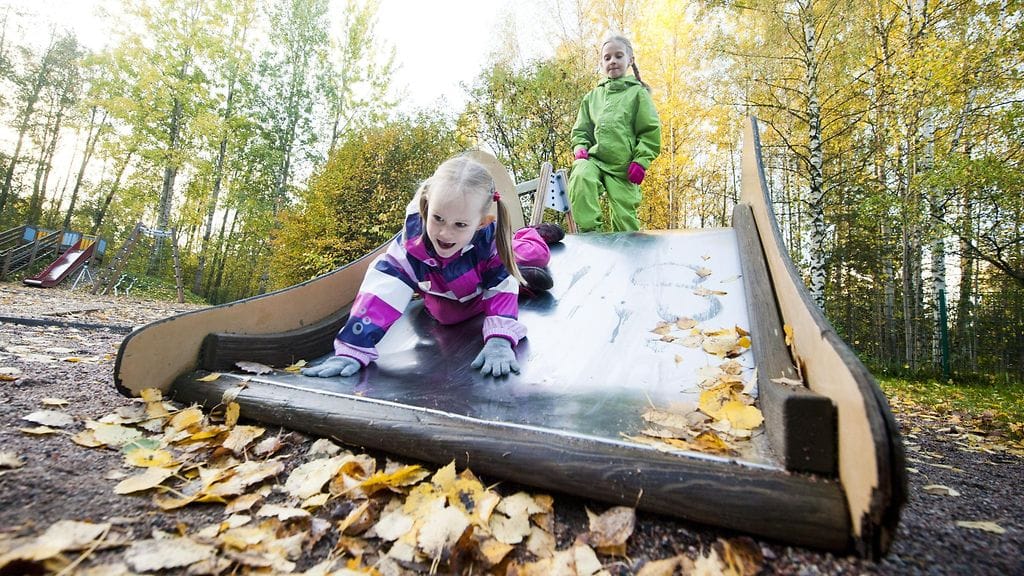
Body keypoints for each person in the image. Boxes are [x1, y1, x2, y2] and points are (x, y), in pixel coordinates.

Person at [302, 155, 562, 379]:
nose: (445, 233)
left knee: (535, 255)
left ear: (481, 223)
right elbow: (383, 290)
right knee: (447, 316)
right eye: (438, 218)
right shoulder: (412, 246)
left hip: (484, 262)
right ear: (427, 207)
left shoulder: (488, 242)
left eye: (460, 224)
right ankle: (520, 280)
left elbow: (500, 286)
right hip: (448, 285)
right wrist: (353, 349)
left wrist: (499, 340)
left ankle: (530, 237)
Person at [568, 34, 662, 233]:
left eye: (618, 56)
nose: (612, 61)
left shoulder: (637, 94)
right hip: (595, 160)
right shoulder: (592, 97)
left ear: (630, 60)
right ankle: (591, 234)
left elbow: (649, 131)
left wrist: (641, 161)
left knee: (624, 219)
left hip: (623, 167)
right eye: (607, 57)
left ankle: (629, 247)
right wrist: (580, 147)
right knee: (581, 174)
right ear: (601, 63)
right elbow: (581, 130)